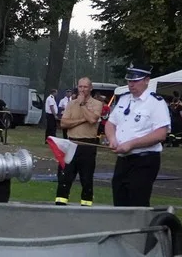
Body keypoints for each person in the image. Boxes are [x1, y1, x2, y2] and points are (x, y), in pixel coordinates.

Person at [105, 64, 170, 207]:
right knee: (120, 200)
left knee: (137, 201)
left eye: (135, 81)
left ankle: (142, 228)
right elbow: (110, 124)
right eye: (129, 81)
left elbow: (160, 134)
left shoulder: (155, 102)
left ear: (147, 80)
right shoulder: (124, 99)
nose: (131, 84)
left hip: (144, 159)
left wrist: (131, 144)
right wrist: (112, 139)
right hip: (123, 160)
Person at [55, 77, 104, 206]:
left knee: (86, 178)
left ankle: (86, 204)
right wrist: (82, 120)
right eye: (80, 86)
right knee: (65, 176)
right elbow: (64, 123)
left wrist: (82, 105)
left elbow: (93, 120)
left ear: (91, 88)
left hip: (88, 144)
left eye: (85, 87)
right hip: (71, 143)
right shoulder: (71, 104)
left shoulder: (97, 104)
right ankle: (60, 202)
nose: (82, 89)